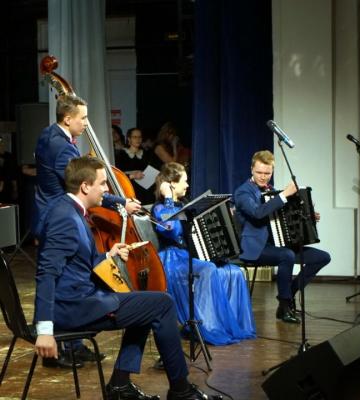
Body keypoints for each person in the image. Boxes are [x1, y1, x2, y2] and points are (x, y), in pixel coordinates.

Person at [34, 156, 223, 400]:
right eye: (102, 184)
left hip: (78, 299)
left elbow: (77, 261)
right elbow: (47, 273)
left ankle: (121, 385)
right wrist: (45, 329)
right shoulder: (65, 217)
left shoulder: (70, 210)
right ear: (85, 186)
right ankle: (181, 391)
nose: (106, 190)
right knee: (163, 303)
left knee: (147, 305)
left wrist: (107, 255)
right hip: (74, 307)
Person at [33, 93, 141, 368]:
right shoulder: (63, 150)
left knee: (72, 275)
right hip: (60, 217)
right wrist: (121, 202)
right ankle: (65, 344)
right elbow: (80, 185)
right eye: (83, 118)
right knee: (73, 277)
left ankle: (73, 345)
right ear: (67, 119)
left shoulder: (48, 135)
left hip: (49, 212)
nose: (86, 124)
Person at [152, 162, 256, 346]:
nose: (188, 185)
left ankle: (227, 325)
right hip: (171, 259)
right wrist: (168, 198)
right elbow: (172, 231)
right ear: (171, 184)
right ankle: (206, 326)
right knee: (208, 270)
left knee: (234, 272)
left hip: (188, 256)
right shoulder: (160, 208)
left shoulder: (185, 204)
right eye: (184, 181)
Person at [234, 150, 331, 323]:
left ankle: (289, 296)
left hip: (278, 245)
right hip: (255, 248)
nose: (263, 177)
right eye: (259, 173)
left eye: (267, 173)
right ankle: (285, 306)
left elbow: (285, 215)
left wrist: (309, 215)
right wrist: (284, 195)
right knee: (286, 255)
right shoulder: (243, 193)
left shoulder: (271, 191)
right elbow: (257, 213)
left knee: (322, 257)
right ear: (251, 170)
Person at [115, 127, 155, 205]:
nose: (138, 139)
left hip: (145, 189)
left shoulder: (146, 153)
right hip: (129, 187)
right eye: (135, 137)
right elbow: (117, 174)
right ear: (129, 139)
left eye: (139, 137)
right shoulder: (121, 154)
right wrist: (132, 175)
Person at [0, 136, 18, 204]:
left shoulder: (9, 157)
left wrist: (15, 189)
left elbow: (13, 174)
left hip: (7, 188)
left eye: (1, 143)